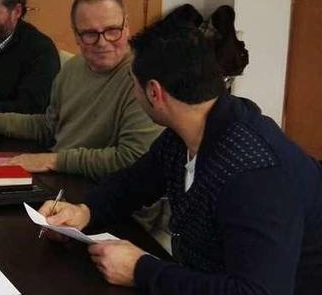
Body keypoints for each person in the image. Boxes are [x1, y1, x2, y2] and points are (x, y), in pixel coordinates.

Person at [37, 22, 322, 294]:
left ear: (154, 92)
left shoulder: (256, 173)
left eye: (132, 84)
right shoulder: (188, 130)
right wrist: (85, 211)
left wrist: (142, 271)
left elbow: (257, 291)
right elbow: (133, 184)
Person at [0, 0, 161, 180]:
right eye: (89, 34)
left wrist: (52, 161)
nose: (102, 43)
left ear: (127, 27)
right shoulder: (72, 68)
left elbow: (133, 159)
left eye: (113, 30)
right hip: (64, 178)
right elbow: (50, 127)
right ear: (76, 35)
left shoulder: (144, 78)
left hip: (110, 196)